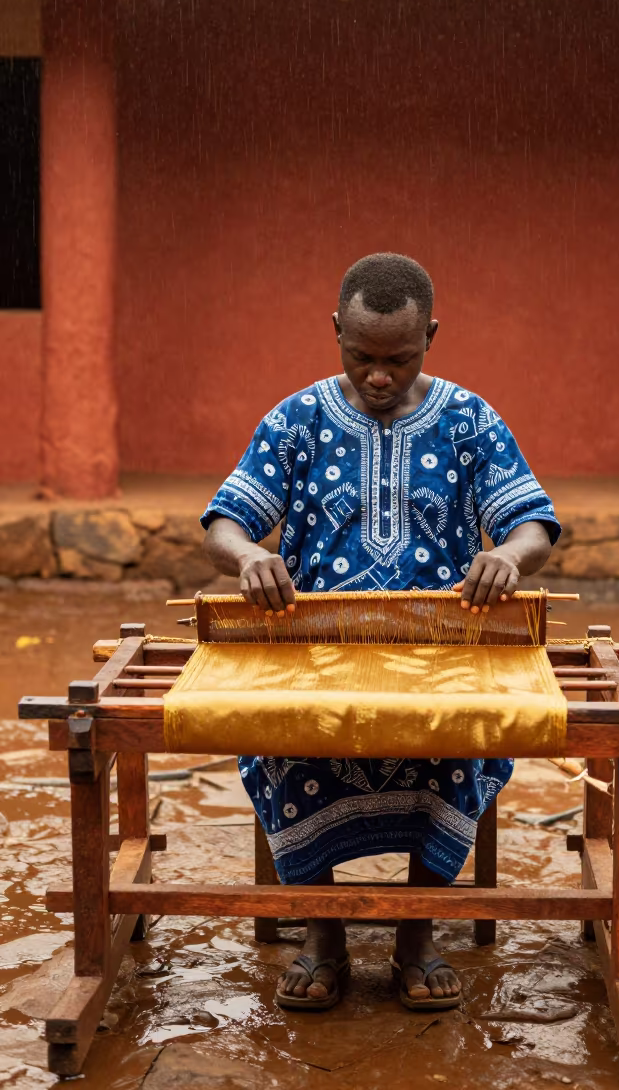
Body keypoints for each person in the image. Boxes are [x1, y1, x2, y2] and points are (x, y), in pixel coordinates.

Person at [201, 252, 560, 1013]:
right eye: (360, 356)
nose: (378, 376)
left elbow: (532, 522)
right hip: (314, 653)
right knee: (285, 737)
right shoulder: (294, 420)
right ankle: (323, 936)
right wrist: (245, 557)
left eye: (399, 358)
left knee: (458, 744)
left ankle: (416, 936)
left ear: (431, 335)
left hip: (440, 653)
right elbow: (228, 521)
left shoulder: (469, 419)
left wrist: (507, 556)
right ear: (335, 332)